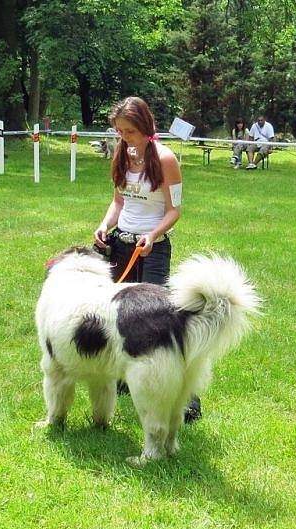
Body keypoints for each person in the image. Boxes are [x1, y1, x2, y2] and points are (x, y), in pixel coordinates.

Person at [91, 96, 200, 423]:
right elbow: (118, 203)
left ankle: (187, 397)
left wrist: (152, 235)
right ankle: (126, 377)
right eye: (120, 132)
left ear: (146, 129)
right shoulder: (122, 154)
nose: (124, 138)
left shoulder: (165, 159)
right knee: (118, 315)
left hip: (152, 247)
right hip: (121, 245)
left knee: (157, 321)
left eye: (130, 132)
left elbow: (174, 210)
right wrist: (103, 224)